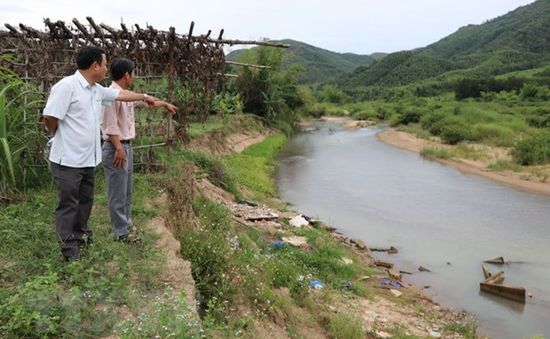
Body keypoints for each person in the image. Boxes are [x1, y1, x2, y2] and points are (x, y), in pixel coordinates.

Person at [42, 46, 159, 261]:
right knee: (69, 204)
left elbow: (120, 94)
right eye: (105, 64)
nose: (107, 68)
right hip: (67, 159)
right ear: (95, 65)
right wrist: (57, 133)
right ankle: (70, 250)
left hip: (88, 159)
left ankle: (81, 236)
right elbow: (50, 117)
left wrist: (144, 96)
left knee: (85, 201)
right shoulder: (66, 86)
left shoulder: (96, 90)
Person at [101, 58, 177, 243]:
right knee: (117, 192)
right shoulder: (111, 95)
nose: (134, 77)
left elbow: (146, 103)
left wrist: (164, 104)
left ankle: (125, 223)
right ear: (127, 75)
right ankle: (121, 233)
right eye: (133, 73)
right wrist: (119, 148)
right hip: (116, 148)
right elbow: (109, 126)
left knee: (126, 190)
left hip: (125, 147)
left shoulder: (126, 96)